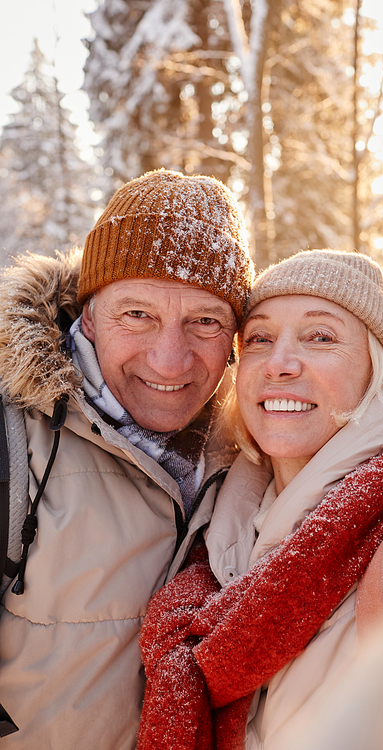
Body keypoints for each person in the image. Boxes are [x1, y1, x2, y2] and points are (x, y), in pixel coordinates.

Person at [137, 249, 383, 750]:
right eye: (260, 339)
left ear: (375, 373)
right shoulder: (214, 543)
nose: (280, 364)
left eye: (321, 337)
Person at [0, 169, 254, 748]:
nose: (169, 361)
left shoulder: (256, 446)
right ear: (86, 315)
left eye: (205, 321)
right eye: (137, 314)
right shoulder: (12, 436)